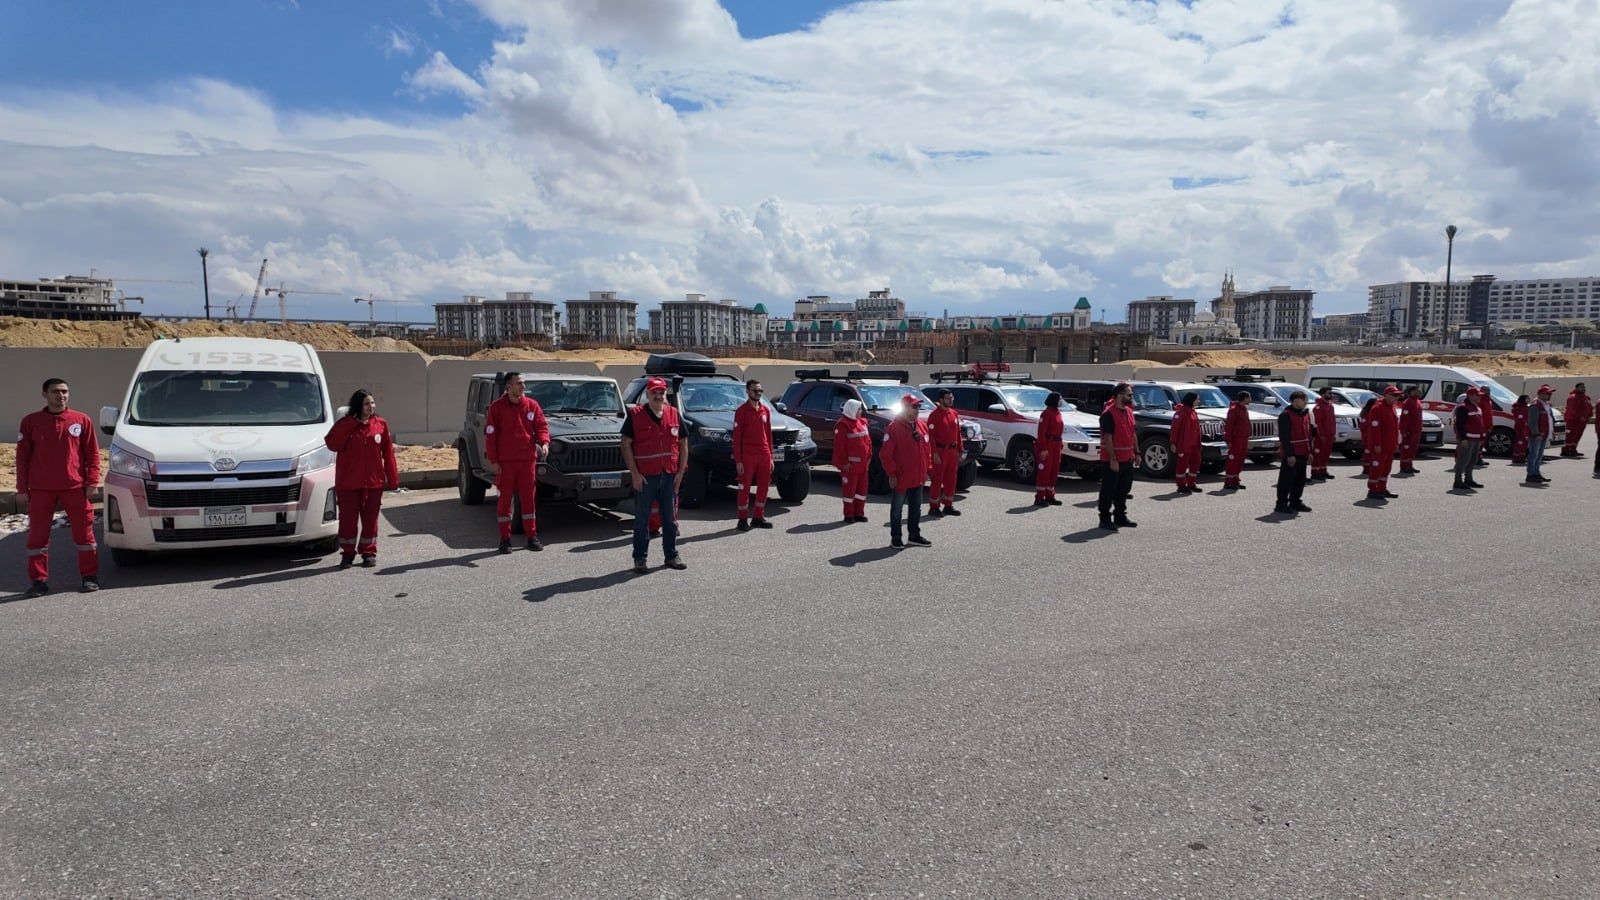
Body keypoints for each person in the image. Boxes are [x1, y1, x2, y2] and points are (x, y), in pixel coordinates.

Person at [17, 378, 100, 597]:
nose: (60, 395)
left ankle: (89, 577)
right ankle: (38, 582)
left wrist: (92, 481)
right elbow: (22, 458)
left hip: (75, 487)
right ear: (44, 394)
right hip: (41, 489)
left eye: (64, 391)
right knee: (37, 537)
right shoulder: (30, 421)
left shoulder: (81, 420)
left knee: (84, 535)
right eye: (55, 391)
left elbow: (92, 453)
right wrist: (22, 489)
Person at [324, 389, 400, 568]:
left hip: (373, 483)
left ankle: (368, 552)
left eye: (372, 403)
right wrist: (352, 424)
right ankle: (347, 554)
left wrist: (393, 478)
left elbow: (388, 453)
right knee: (348, 521)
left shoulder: (380, 424)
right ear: (358, 405)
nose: (371, 407)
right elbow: (332, 444)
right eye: (367, 403)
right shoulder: (345, 424)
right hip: (348, 483)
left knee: (370, 520)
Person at [621, 377, 689, 573]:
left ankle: (672, 555)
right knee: (642, 519)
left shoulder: (674, 414)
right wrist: (634, 473)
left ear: (665, 393)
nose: (658, 396)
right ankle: (640, 559)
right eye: (654, 392)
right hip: (645, 477)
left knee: (669, 519)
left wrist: (680, 473)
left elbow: (683, 444)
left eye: (661, 392)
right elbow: (625, 444)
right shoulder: (635, 415)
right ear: (647, 394)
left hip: (669, 475)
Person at [485, 372, 550, 553]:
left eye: (523, 383)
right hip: (505, 464)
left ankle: (532, 537)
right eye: (519, 383)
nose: (523, 386)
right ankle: (505, 540)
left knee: (529, 500)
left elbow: (541, 426)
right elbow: (490, 435)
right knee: (505, 501)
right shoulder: (496, 408)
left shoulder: (532, 405)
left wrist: (544, 443)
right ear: (508, 386)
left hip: (527, 461)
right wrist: (494, 460)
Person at [880, 392, 932, 548]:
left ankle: (914, 536)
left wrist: (927, 469)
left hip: (918, 476)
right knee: (897, 509)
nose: (917, 409)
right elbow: (886, 455)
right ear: (905, 408)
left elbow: (927, 448)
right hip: (901, 477)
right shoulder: (894, 428)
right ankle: (896, 537)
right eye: (914, 406)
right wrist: (892, 474)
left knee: (916, 509)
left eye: (918, 406)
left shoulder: (921, 425)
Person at [733, 379, 774, 530]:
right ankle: (742, 519)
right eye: (755, 390)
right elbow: (736, 439)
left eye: (760, 391)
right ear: (748, 392)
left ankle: (758, 517)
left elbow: (768, 435)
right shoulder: (741, 411)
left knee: (764, 487)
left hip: (764, 454)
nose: (758, 393)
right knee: (744, 488)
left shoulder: (766, 410)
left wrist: (771, 456)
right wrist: (738, 460)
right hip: (748, 456)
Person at [1097, 382, 1138, 530]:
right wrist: (1113, 459)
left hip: (1128, 458)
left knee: (1124, 489)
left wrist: (1137, 452)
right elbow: (1108, 438)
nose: (1131, 396)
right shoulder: (1108, 414)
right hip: (1113, 460)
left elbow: (1132, 433)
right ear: (1120, 395)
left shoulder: (1128, 411)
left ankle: (1120, 516)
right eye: (1129, 394)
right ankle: (1104, 518)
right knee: (1108, 490)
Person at [833, 398, 873, 523]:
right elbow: (839, 447)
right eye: (859, 409)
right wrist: (844, 463)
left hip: (863, 465)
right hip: (850, 466)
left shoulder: (862, 422)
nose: (861, 411)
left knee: (862, 491)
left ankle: (859, 513)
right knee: (849, 492)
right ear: (852, 409)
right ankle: (849, 515)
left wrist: (869, 456)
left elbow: (868, 441)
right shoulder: (843, 424)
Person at [1274, 390, 1313, 514]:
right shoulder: (1285, 415)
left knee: (1300, 479)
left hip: (1303, 452)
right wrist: (1289, 455)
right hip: (1291, 453)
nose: (1305, 402)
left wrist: (1309, 452)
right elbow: (1284, 437)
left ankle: (1295, 501)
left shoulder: (1305, 414)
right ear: (1295, 400)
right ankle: (1281, 503)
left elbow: (1308, 434)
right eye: (1303, 400)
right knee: (1286, 479)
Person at [927, 389, 964, 516]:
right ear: (941, 400)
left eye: (951, 397)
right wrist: (934, 454)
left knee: (951, 479)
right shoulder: (934, 415)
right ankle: (934, 507)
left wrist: (960, 449)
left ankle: (948, 505)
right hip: (940, 452)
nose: (951, 400)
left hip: (952, 452)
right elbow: (930, 436)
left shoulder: (954, 414)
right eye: (948, 398)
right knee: (937, 479)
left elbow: (958, 433)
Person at [1365, 387, 1401, 500]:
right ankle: (1372, 490)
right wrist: (1376, 444)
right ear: (1385, 396)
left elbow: (1395, 428)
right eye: (1393, 396)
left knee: (1386, 468)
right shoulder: (1377, 408)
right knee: (1377, 468)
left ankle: (1382, 488)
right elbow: (1374, 428)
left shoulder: (1392, 408)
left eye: (1397, 396)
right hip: (1380, 446)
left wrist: (1396, 444)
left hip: (1390, 445)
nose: (1396, 398)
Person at [1033, 392, 1065, 506]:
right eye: (1060, 399)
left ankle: (1050, 495)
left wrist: (1060, 446)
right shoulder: (1046, 414)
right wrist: (1043, 448)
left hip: (1056, 445)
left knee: (1053, 471)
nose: (1061, 401)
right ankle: (1040, 497)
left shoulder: (1058, 413)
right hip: (1048, 445)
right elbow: (1041, 433)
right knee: (1045, 471)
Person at [1451, 391, 1485, 493]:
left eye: (1480, 396)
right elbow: (1459, 425)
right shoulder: (1463, 408)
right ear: (1470, 395)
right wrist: (1463, 439)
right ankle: (1458, 481)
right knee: (1463, 460)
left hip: (1476, 439)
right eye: (1477, 395)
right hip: (1468, 439)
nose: (1479, 398)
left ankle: (1468, 479)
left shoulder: (1477, 408)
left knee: (1472, 461)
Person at [1170, 391, 1201, 493]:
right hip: (1184, 444)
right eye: (1197, 399)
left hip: (1194, 444)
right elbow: (1175, 429)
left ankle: (1191, 483)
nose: (1199, 401)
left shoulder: (1193, 412)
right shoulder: (1180, 413)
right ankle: (1181, 485)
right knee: (1182, 465)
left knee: (1195, 463)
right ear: (1191, 400)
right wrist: (1173, 443)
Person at [1526, 384, 1556, 485]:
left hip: (1544, 434)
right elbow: (1532, 422)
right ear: (1540, 394)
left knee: (1539, 455)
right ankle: (1531, 475)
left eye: (1550, 393)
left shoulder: (1547, 404)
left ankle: (1536, 473)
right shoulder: (1535, 404)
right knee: (1533, 455)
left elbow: (1549, 419)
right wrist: (1536, 433)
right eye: (1548, 393)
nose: (1550, 395)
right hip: (1537, 435)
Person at [1221, 390, 1252, 489]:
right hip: (1236, 439)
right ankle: (1228, 482)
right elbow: (1229, 426)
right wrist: (1229, 440)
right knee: (1233, 459)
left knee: (1240, 459)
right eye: (1249, 397)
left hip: (1243, 438)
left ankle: (1235, 480)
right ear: (1244, 398)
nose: (1250, 400)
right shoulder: (1234, 410)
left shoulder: (1243, 409)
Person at [1309, 386, 1336, 480]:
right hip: (1321, 436)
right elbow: (1318, 423)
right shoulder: (1318, 407)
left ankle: (1323, 471)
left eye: (1331, 393)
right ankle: (1315, 472)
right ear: (1323, 394)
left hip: (1329, 434)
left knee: (1326, 453)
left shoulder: (1330, 406)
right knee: (1318, 453)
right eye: (1329, 393)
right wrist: (1321, 435)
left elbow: (1333, 421)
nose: (1331, 395)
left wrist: (1333, 433)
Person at [1398, 386, 1424, 474]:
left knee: (1413, 449)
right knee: (1406, 449)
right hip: (1409, 431)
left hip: (1416, 431)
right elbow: (1404, 418)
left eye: (1419, 391)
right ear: (1411, 392)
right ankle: (1404, 467)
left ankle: (1409, 464)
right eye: (1416, 391)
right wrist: (1404, 431)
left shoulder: (1417, 402)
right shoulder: (1407, 403)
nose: (1419, 392)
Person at [1562, 383, 1592, 457]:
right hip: (1572, 420)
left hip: (1582, 421)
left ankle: (1573, 450)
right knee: (1570, 435)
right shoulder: (1572, 397)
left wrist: (1589, 415)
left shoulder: (1586, 397)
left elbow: (1590, 407)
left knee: (1577, 435)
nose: (1584, 388)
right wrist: (1580, 416)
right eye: (1581, 387)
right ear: (1576, 388)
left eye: (1584, 387)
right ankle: (1565, 451)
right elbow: (1573, 409)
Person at [1357, 396, 1380, 482]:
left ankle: (1371, 469)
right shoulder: (1366, 415)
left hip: (1372, 438)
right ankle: (1366, 470)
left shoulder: (1373, 414)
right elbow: (1364, 428)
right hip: (1367, 439)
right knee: (1367, 454)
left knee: (1371, 455)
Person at [1475, 389, 1494, 467]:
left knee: (1482, 443)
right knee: (1479, 443)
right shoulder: (1480, 400)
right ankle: (1476, 459)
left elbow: (1489, 414)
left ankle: (1479, 458)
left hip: (1487, 425)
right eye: (1486, 390)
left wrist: (1490, 425)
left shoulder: (1488, 400)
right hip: (1482, 425)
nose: (1488, 391)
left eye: (1488, 390)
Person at [1511, 394, 1530, 465]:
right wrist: (1523, 429)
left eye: (1529, 398)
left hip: (1525, 428)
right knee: (1520, 443)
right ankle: (1517, 458)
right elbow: (1520, 419)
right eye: (1527, 398)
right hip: (1520, 428)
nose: (1528, 400)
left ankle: (1522, 457)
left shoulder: (1526, 408)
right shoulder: (1518, 408)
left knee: (1524, 443)